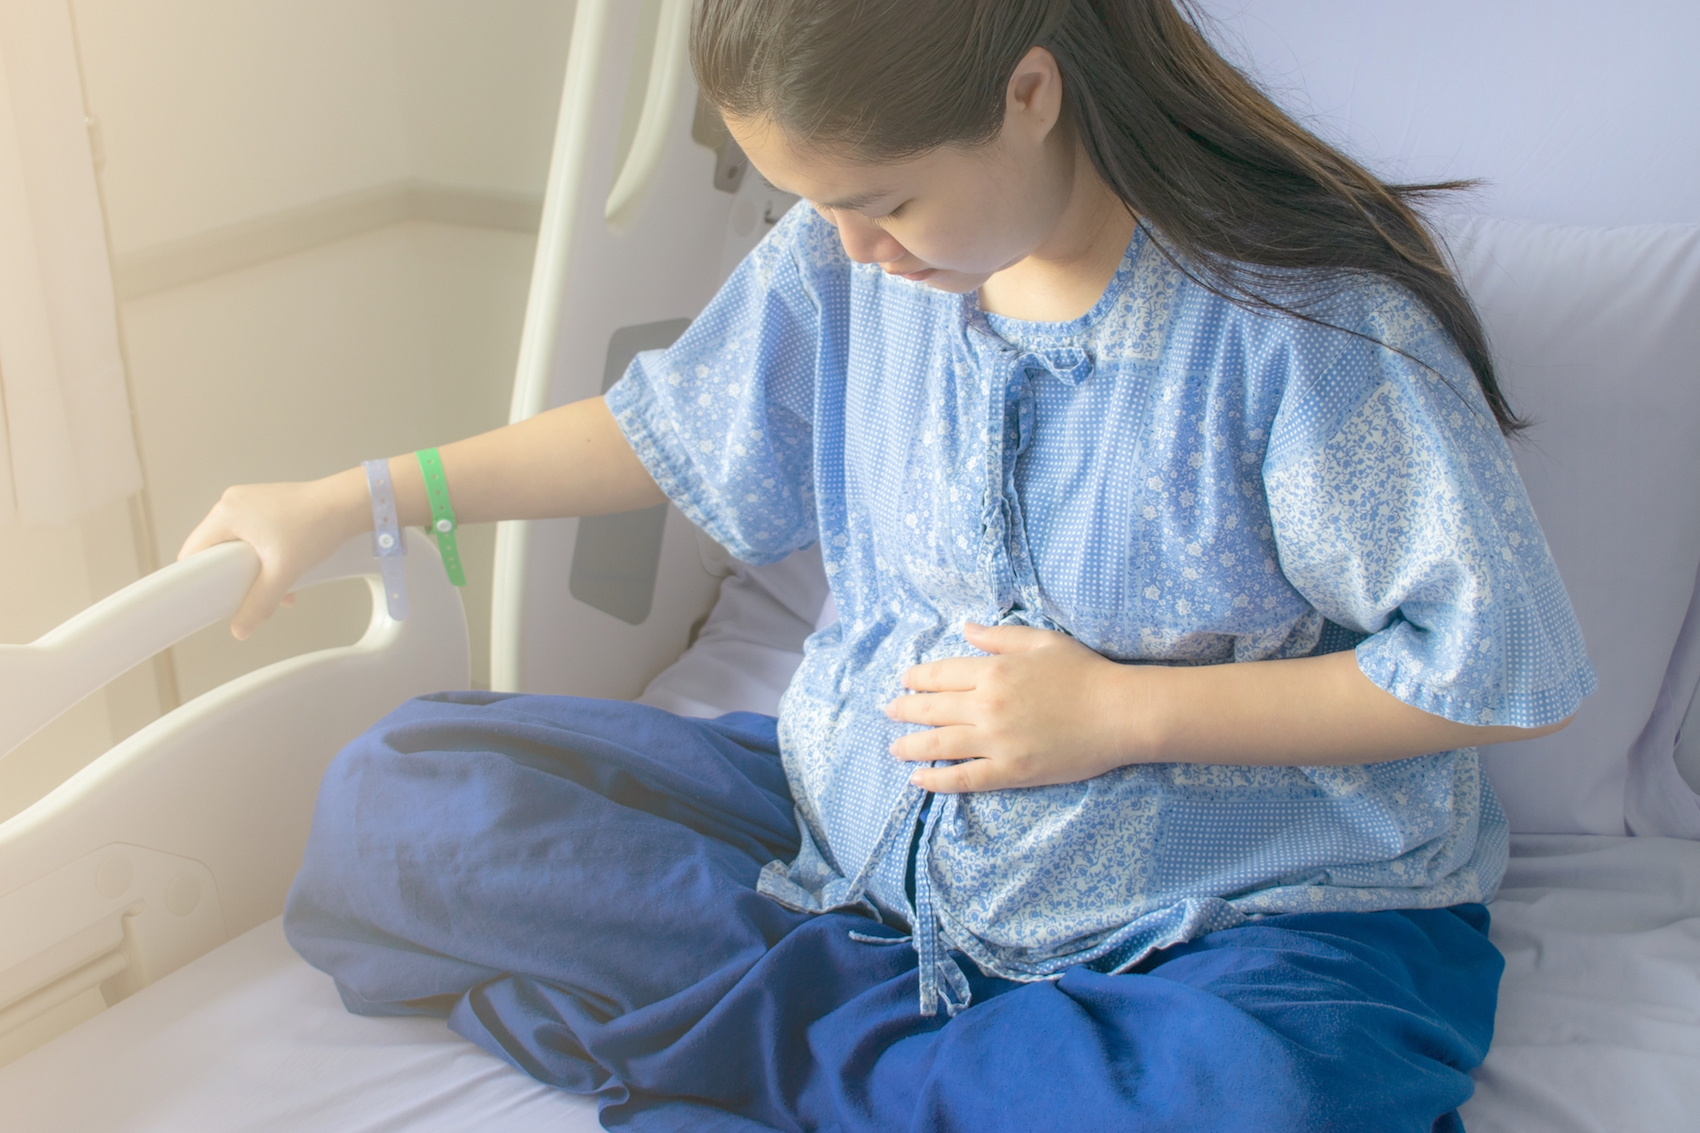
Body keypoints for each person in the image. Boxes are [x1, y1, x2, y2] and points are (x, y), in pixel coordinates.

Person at [181, 1, 1594, 1129]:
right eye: (819, 205)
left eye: (886, 201)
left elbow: (1494, 667)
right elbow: (660, 428)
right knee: (399, 802)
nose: (852, 246)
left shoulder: (1304, 337)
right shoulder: (846, 260)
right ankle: (923, 1059)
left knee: (1270, 1098)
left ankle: (789, 1052)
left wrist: (1121, 712)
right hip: (862, 850)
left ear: (1031, 92)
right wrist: (360, 494)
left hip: (1221, 916)